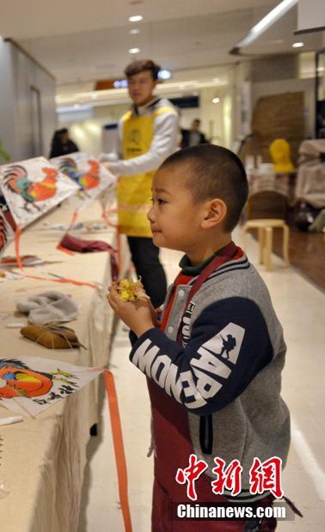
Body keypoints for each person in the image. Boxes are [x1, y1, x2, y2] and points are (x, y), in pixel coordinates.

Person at [107, 145, 289, 531]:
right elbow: (185, 345)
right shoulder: (194, 273)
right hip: (182, 470)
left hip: (223, 493)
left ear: (210, 213)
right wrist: (152, 321)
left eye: (161, 201)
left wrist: (144, 330)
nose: (150, 213)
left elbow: (197, 389)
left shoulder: (235, 301)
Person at [106, 59, 179, 307]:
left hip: (153, 198)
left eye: (142, 81)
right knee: (138, 260)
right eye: (131, 82)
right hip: (129, 198)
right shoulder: (126, 118)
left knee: (148, 261)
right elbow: (120, 155)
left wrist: (115, 167)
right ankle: (145, 312)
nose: (136, 87)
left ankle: (160, 314)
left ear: (155, 82)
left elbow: (156, 158)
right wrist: (99, 162)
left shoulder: (165, 114)